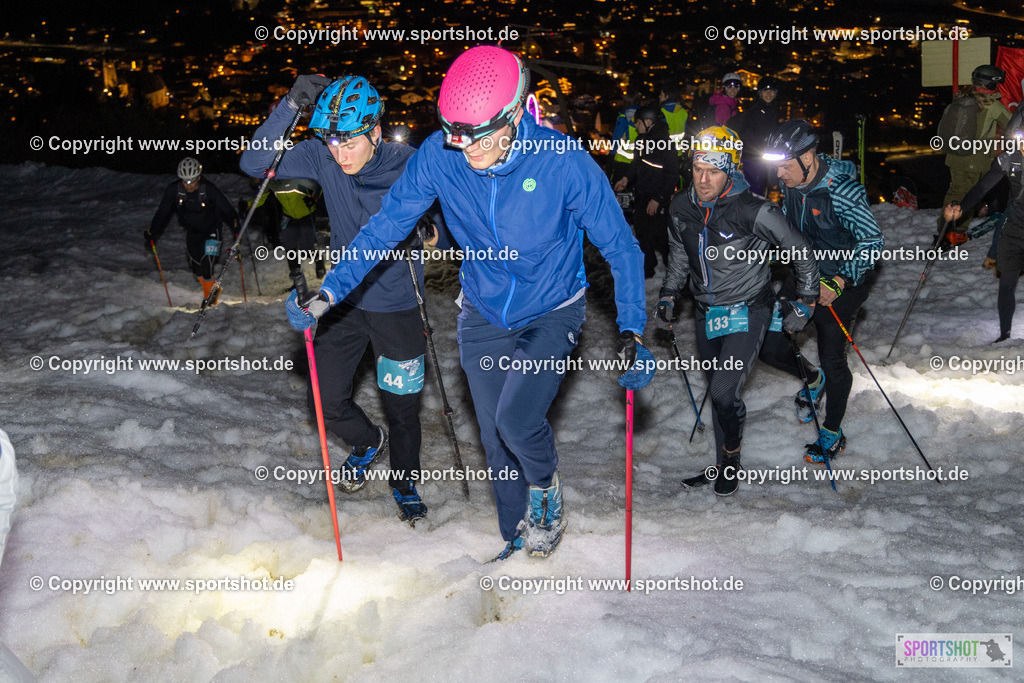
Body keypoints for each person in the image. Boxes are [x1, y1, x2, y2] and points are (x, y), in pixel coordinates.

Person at [285, 45, 647, 560]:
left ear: (515, 114)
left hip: (552, 308)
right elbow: (386, 227)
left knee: (518, 422)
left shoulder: (563, 164)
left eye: (478, 136)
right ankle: (513, 536)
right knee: (494, 441)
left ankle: (545, 491)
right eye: (455, 132)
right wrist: (329, 292)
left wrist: (632, 328)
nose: (465, 147)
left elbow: (621, 247)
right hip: (482, 312)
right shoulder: (441, 155)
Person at [240, 75, 434, 524]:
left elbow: (447, 212)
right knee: (325, 402)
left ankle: (404, 481)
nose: (339, 155)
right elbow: (254, 164)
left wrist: (428, 224)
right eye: (332, 142)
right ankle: (368, 442)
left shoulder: (411, 163)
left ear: (375, 132)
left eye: (349, 143)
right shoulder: (323, 156)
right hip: (342, 302)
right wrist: (290, 105)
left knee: (402, 406)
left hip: (399, 307)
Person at [657, 126, 819, 496]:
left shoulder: (755, 210)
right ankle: (720, 462)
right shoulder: (682, 207)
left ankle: (731, 458)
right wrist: (669, 294)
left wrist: (807, 301)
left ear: (729, 170)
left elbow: (802, 251)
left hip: (749, 309)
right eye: (698, 169)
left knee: (724, 390)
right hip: (706, 312)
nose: (702, 179)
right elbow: (680, 255)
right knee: (719, 394)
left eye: (712, 171)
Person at [758, 120, 884, 463]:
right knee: (769, 347)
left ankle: (832, 432)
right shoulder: (791, 185)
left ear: (809, 158)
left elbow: (873, 242)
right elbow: (790, 228)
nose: (780, 174)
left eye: (786, 166)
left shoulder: (842, 190)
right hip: (805, 276)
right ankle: (814, 380)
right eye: (776, 166)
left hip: (843, 283)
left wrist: (840, 281)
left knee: (833, 356)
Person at [944, 108, 1024, 343]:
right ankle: (1005, 334)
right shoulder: (1009, 159)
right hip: (1015, 228)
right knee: (1007, 282)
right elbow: (982, 188)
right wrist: (961, 207)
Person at [145, 157, 238, 303]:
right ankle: (211, 288)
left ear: (199, 177)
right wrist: (153, 232)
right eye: (184, 181)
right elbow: (162, 212)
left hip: (212, 230)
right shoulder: (174, 190)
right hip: (192, 232)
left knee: (207, 264)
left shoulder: (209, 189)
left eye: (192, 181)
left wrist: (235, 224)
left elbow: (227, 208)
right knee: (197, 269)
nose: (188, 186)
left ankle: (210, 298)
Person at [938, 65, 1012, 232]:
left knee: (955, 191)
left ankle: (944, 229)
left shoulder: (961, 96)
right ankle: (957, 232)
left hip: (954, 154)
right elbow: (1012, 123)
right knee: (971, 195)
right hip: (975, 158)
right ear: (992, 83)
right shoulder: (992, 105)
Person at [613, 104, 680, 277]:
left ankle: (675, 271)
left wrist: (658, 199)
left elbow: (672, 174)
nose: (635, 125)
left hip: (658, 197)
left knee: (661, 237)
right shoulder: (641, 141)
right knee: (642, 233)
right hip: (642, 193)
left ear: (648, 121)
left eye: (638, 122)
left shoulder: (665, 144)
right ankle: (647, 268)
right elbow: (636, 164)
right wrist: (626, 178)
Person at [729, 75, 780, 196]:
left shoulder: (773, 109)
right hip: (753, 156)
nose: (769, 94)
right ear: (760, 93)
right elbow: (747, 132)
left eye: (772, 91)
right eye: (765, 91)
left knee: (766, 185)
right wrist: (758, 144)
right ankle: (753, 212)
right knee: (755, 187)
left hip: (765, 156)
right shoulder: (755, 109)